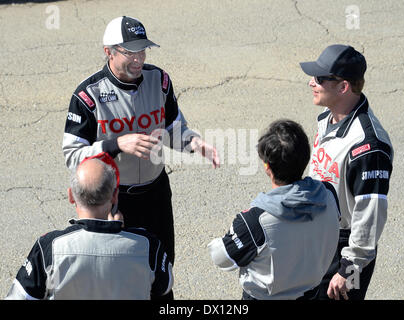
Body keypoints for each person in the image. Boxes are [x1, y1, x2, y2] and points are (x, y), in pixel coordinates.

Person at [62, 16, 220, 298]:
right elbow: (73, 155)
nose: (138, 59)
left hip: (156, 193)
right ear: (108, 51)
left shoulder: (159, 80)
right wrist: (116, 144)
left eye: (143, 51)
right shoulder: (88, 95)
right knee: (121, 276)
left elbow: (172, 128)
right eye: (129, 52)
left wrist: (194, 142)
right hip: (113, 200)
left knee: (161, 268)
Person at [5, 153, 173, 300]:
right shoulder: (149, 246)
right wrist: (123, 232)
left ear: (71, 195)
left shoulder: (49, 247)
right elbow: (164, 288)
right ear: (114, 196)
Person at [299, 44, 394, 300]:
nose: (311, 83)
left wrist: (349, 266)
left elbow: (370, 213)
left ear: (342, 87)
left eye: (320, 78)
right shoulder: (327, 119)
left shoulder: (368, 146)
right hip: (318, 238)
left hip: (344, 250)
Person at [207, 119, 340, 300]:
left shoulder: (254, 221)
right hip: (313, 293)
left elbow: (221, 257)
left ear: (267, 167)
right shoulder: (329, 194)